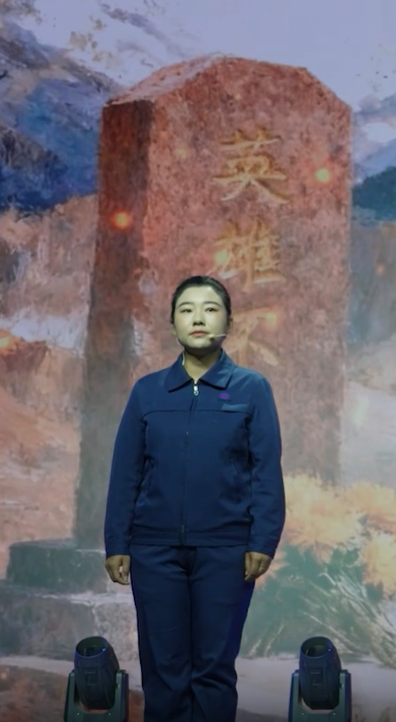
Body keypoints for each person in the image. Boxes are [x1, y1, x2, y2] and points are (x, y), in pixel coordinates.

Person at [103, 274, 285, 722]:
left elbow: (265, 471)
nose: (198, 318)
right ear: (173, 325)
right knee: (164, 672)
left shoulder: (251, 388)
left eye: (210, 309)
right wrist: (117, 542)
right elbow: (126, 472)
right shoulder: (147, 391)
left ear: (229, 322)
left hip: (225, 551)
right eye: (186, 310)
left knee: (213, 670)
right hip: (155, 551)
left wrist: (263, 540)